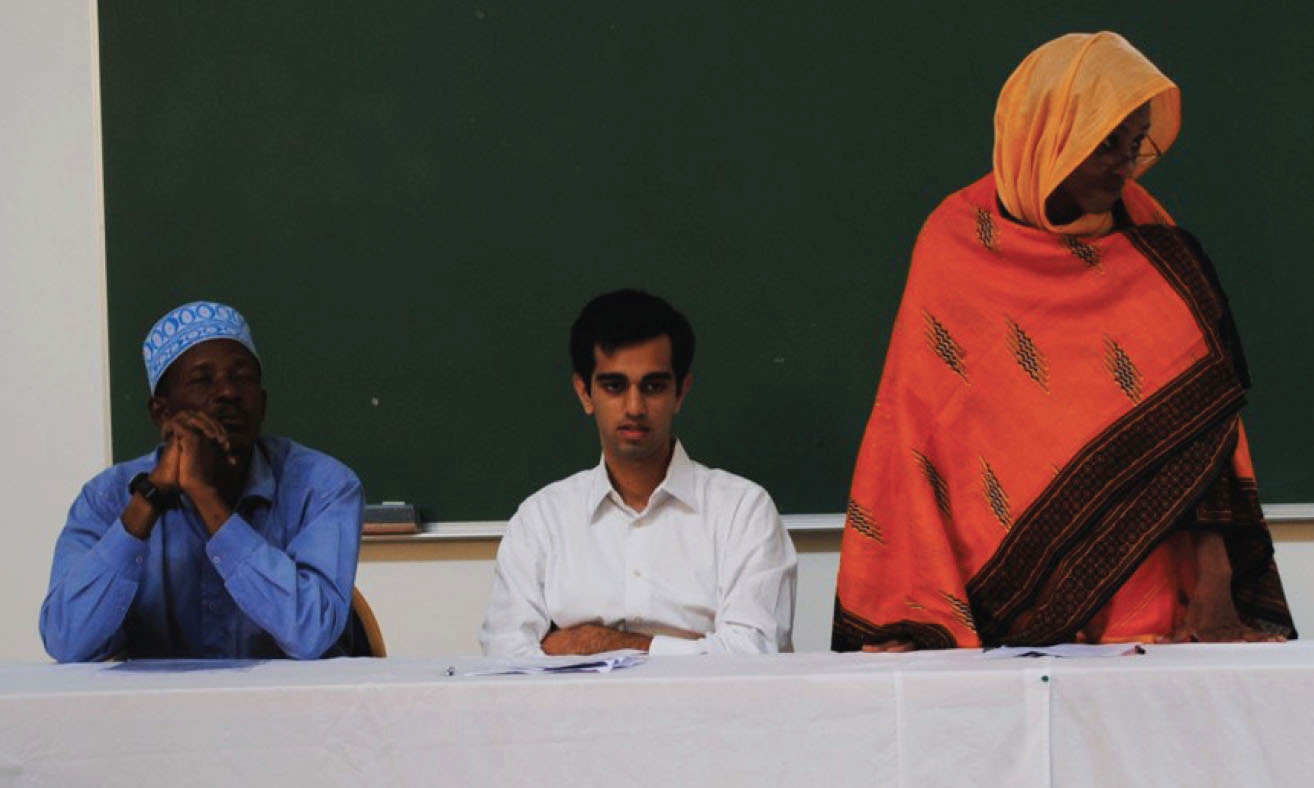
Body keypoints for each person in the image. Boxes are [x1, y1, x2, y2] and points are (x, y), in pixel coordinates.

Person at [832, 32, 1295, 651]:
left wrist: (1216, 590)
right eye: (1104, 144)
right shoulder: (956, 241)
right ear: (1047, 132)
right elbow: (915, 434)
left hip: (1148, 586)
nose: (1124, 165)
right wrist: (915, 614)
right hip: (989, 591)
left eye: (1134, 145)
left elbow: (1207, 427)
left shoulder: (1153, 240)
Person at [40, 301, 364, 661]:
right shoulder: (106, 498)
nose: (228, 392)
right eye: (202, 380)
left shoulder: (323, 486)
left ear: (263, 402)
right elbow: (66, 640)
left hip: (295, 713)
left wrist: (206, 496)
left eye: (242, 377)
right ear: (160, 412)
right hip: (158, 714)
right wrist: (147, 502)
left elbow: (312, 633)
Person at [480, 289, 797, 656]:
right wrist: (694, 648)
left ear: (681, 392)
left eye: (654, 386)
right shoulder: (541, 519)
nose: (634, 406)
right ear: (584, 392)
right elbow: (505, 655)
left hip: (704, 713)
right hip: (575, 713)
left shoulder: (743, 511)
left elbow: (755, 652)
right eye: (614, 386)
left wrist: (593, 642)